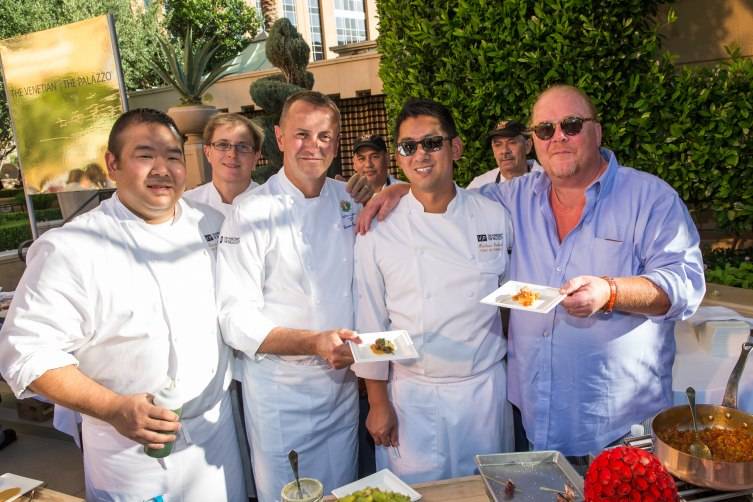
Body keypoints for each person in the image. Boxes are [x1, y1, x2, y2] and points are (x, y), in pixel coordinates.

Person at [358, 84, 705, 458]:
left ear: (597, 131)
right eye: (545, 130)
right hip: (534, 418)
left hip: (617, 424)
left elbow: (686, 284)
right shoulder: (509, 199)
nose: (558, 138)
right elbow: (442, 199)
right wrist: (401, 192)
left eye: (571, 125)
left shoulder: (649, 198)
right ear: (534, 140)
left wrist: (610, 292)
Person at [0, 108, 244, 500]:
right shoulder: (72, 247)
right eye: (145, 155)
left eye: (173, 156)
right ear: (112, 164)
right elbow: (26, 353)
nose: (162, 168)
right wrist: (114, 407)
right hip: (129, 454)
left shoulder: (212, 224)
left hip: (216, 436)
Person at [353, 99, 513, 483]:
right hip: (412, 397)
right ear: (399, 157)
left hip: (484, 394)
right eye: (409, 147)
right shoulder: (378, 228)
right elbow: (371, 320)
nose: (420, 154)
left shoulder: (493, 214)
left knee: (489, 491)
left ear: (455, 148)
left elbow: (509, 301)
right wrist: (377, 402)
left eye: (432, 143)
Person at [216, 91, 361, 501]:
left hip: (341, 389)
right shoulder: (249, 211)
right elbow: (234, 317)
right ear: (279, 137)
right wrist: (312, 342)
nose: (313, 146)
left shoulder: (347, 199)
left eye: (324, 136)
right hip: (282, 395)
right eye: (302, 134)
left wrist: (396, 192)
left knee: (344, 492)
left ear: (336, 142)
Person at [183, 113, 263, 217]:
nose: (232, 154)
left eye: (243, 146)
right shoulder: (186, 205)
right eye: (222, 145)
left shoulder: (274, 206)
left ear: (256, 157)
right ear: (208, 153)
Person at [466, 119, 534, 189]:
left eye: (512, 142)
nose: (504, 150)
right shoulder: (478, 187)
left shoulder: (545, 182)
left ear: (527, 146)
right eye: (498, 144)